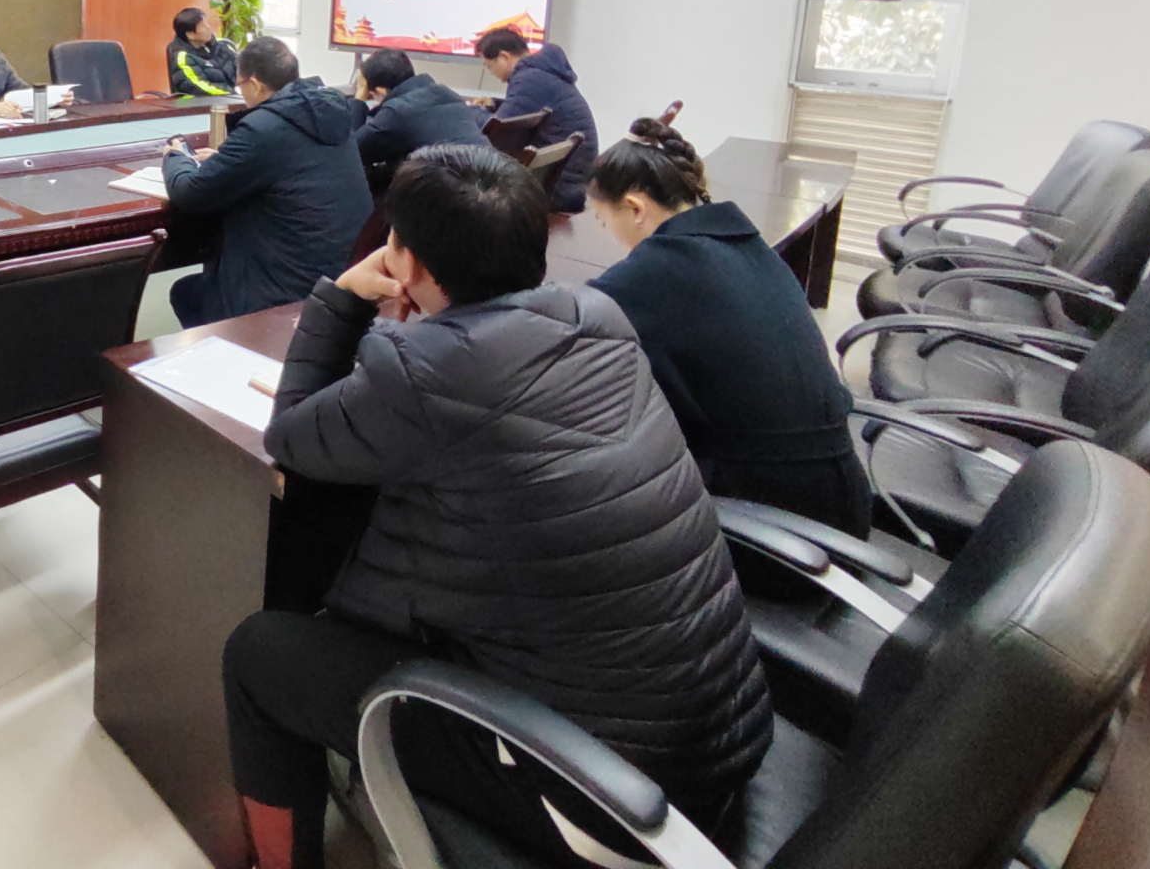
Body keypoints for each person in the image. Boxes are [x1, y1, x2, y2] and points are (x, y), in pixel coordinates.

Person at [223, 144, 772, 869]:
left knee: (258, 653)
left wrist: (346, 299)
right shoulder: (596, 315)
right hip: (718, 742)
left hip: (604, 797)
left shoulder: (421, 375)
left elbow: (292, 435)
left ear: (409, 262)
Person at [587, 119, 873, 535]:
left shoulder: (654, 273)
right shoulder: (747, 245)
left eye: (603, 221)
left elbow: (573, 322)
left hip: (777, 521)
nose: (609, 236)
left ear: (635, 208)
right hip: (842, 491)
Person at [161, 37, 371, 327]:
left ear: (256, 84)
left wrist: (176, 157)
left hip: (283, 291)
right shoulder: (330, 112)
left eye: (240, 86)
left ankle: (234, 350)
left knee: (187, 294)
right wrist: (226, 160)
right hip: (339, 279)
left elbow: (189, 193)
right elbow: (288, 163)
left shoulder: (264, 127)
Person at [476, 27, 599, 212]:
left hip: (561, 188)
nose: (490, 72)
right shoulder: (541, 72)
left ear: (503, 57)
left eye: (488, 66)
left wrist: (470, 111)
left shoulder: (528, 79)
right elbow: (523, 112)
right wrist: (494, 104)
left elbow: (499, 129)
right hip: (574, 180)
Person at [347, 48, 486, 169]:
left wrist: (359, 99)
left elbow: (351, 152)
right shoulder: (447, 94)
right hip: (490, 178)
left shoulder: (397, 112)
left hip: (453, 187)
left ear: (380, 92)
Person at [167, 6, 238, 97]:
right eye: (203, 26)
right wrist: (235, 94)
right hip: (210, 102)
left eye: (206, 23)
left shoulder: (221, 45)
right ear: (190, 34)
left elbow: (242, 68)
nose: (208, 28)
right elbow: (199, 87)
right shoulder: (183, 57)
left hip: (236, 99)